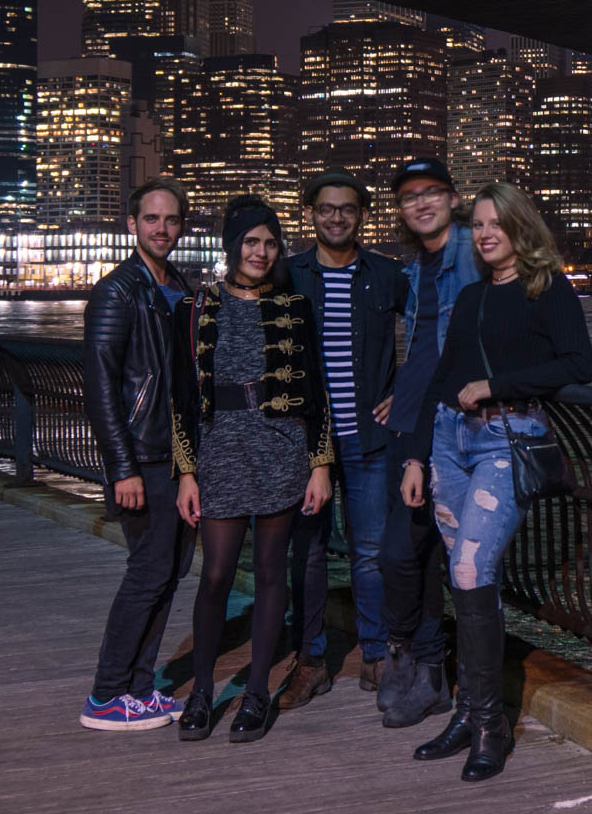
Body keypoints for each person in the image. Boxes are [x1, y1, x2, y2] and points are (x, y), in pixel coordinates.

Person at [402, 181, 592, 781]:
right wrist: (414, 457)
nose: (485, 234)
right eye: (478, 225)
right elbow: (440, 380)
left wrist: (497, 385)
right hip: (448, 444)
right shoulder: (471, 298)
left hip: (504, 443)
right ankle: (469, 712)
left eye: (496, 224)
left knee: (468, 568)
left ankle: (490, 725)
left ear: (519, 228)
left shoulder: (547, 289)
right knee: (464, 574)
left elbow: (578, 365)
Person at [173, 196, 334, 744]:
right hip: (220, 453)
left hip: (282, 448)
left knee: (271, 573)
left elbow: (318, 393)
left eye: (270, 243)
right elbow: (180, 399)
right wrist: (187, 472)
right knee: (215, 575)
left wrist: (320, 465)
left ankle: (257, 692)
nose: (261, 252)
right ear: (232, 246)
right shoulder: (196, 308)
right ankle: (200, 691)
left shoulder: (296, 307)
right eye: (251, 242)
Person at [279, 169, 406, 709]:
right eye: (327, 208)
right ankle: (311, 661)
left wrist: (406, 393)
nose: (336, 217)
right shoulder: (287, 275)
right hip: (306, 445)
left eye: (347, 209)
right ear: (311, 213)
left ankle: (376, 654)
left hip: (369, 441)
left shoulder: (388, 275)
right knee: (305, 553)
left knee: (371, 552)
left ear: (362, 216)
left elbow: (430, 338)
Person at [80, 177, 196, 731]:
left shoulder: (177, 285)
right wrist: (120, 467)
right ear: (132, 225)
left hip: (177, 456)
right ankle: (107, 693)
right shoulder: (116, 291)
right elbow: (100, 387)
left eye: (171, 220)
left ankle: (139, 688)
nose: (161, 229)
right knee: (148, 572)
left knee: (170, 572)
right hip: (144, 457)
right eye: (151, 219)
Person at [373, 157, 481, 728]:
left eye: (431, 191)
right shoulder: (414, 269)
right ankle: (416, 660)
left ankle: (426, 667)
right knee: (409, 552)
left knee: (417, 552)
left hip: (453, 428)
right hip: (409, 423)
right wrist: (400, 389)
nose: (420, 202)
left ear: (452, 197)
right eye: (409, 195)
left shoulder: (474, 247)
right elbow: (422, 350)